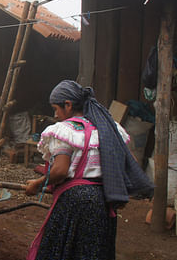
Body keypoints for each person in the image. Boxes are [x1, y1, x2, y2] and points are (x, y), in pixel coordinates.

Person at [25, 80, 154, 260]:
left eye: (56, 108)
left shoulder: (65, 131)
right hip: (104, 200)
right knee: (94, 251)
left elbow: (60, 171)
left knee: (62, 249)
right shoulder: (109, 128)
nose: (55, 114)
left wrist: (37, 184)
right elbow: (129, 162)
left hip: (75, 202)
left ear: (68, 105)